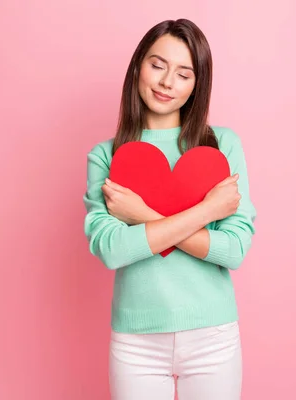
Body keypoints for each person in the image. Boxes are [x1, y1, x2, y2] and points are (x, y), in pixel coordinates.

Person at [83, 18, 256, 400]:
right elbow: (112, 250)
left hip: (212, 337)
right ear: (138, 67)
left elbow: (233, 251)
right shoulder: (106, 156)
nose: (166, 82)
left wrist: (140, 215)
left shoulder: (220, 145)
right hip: (136, 343)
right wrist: (208, 210)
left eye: (183, 74)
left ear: (197, 85)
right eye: (157, 65)